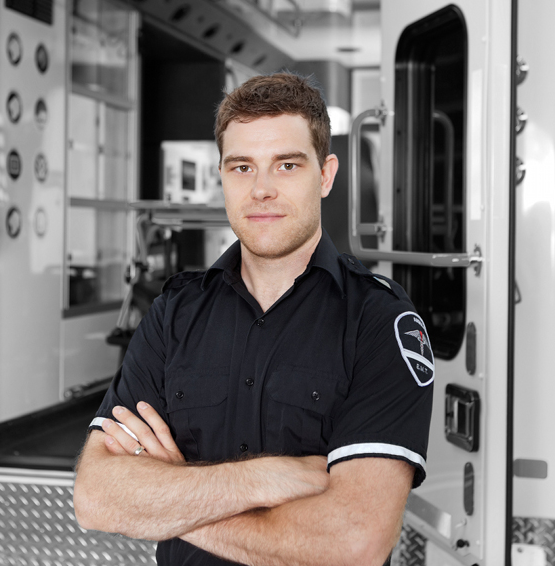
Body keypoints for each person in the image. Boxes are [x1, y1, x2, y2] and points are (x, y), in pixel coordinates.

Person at [74, 73, 435, 566]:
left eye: (286, 165)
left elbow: (353, 545)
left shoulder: (381, 323)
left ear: (326, 175)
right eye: (242, 167)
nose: (261, 189)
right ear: (221, 176)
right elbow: (98, 498)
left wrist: (171, 493)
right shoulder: (174, 315)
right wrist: (265, 477)